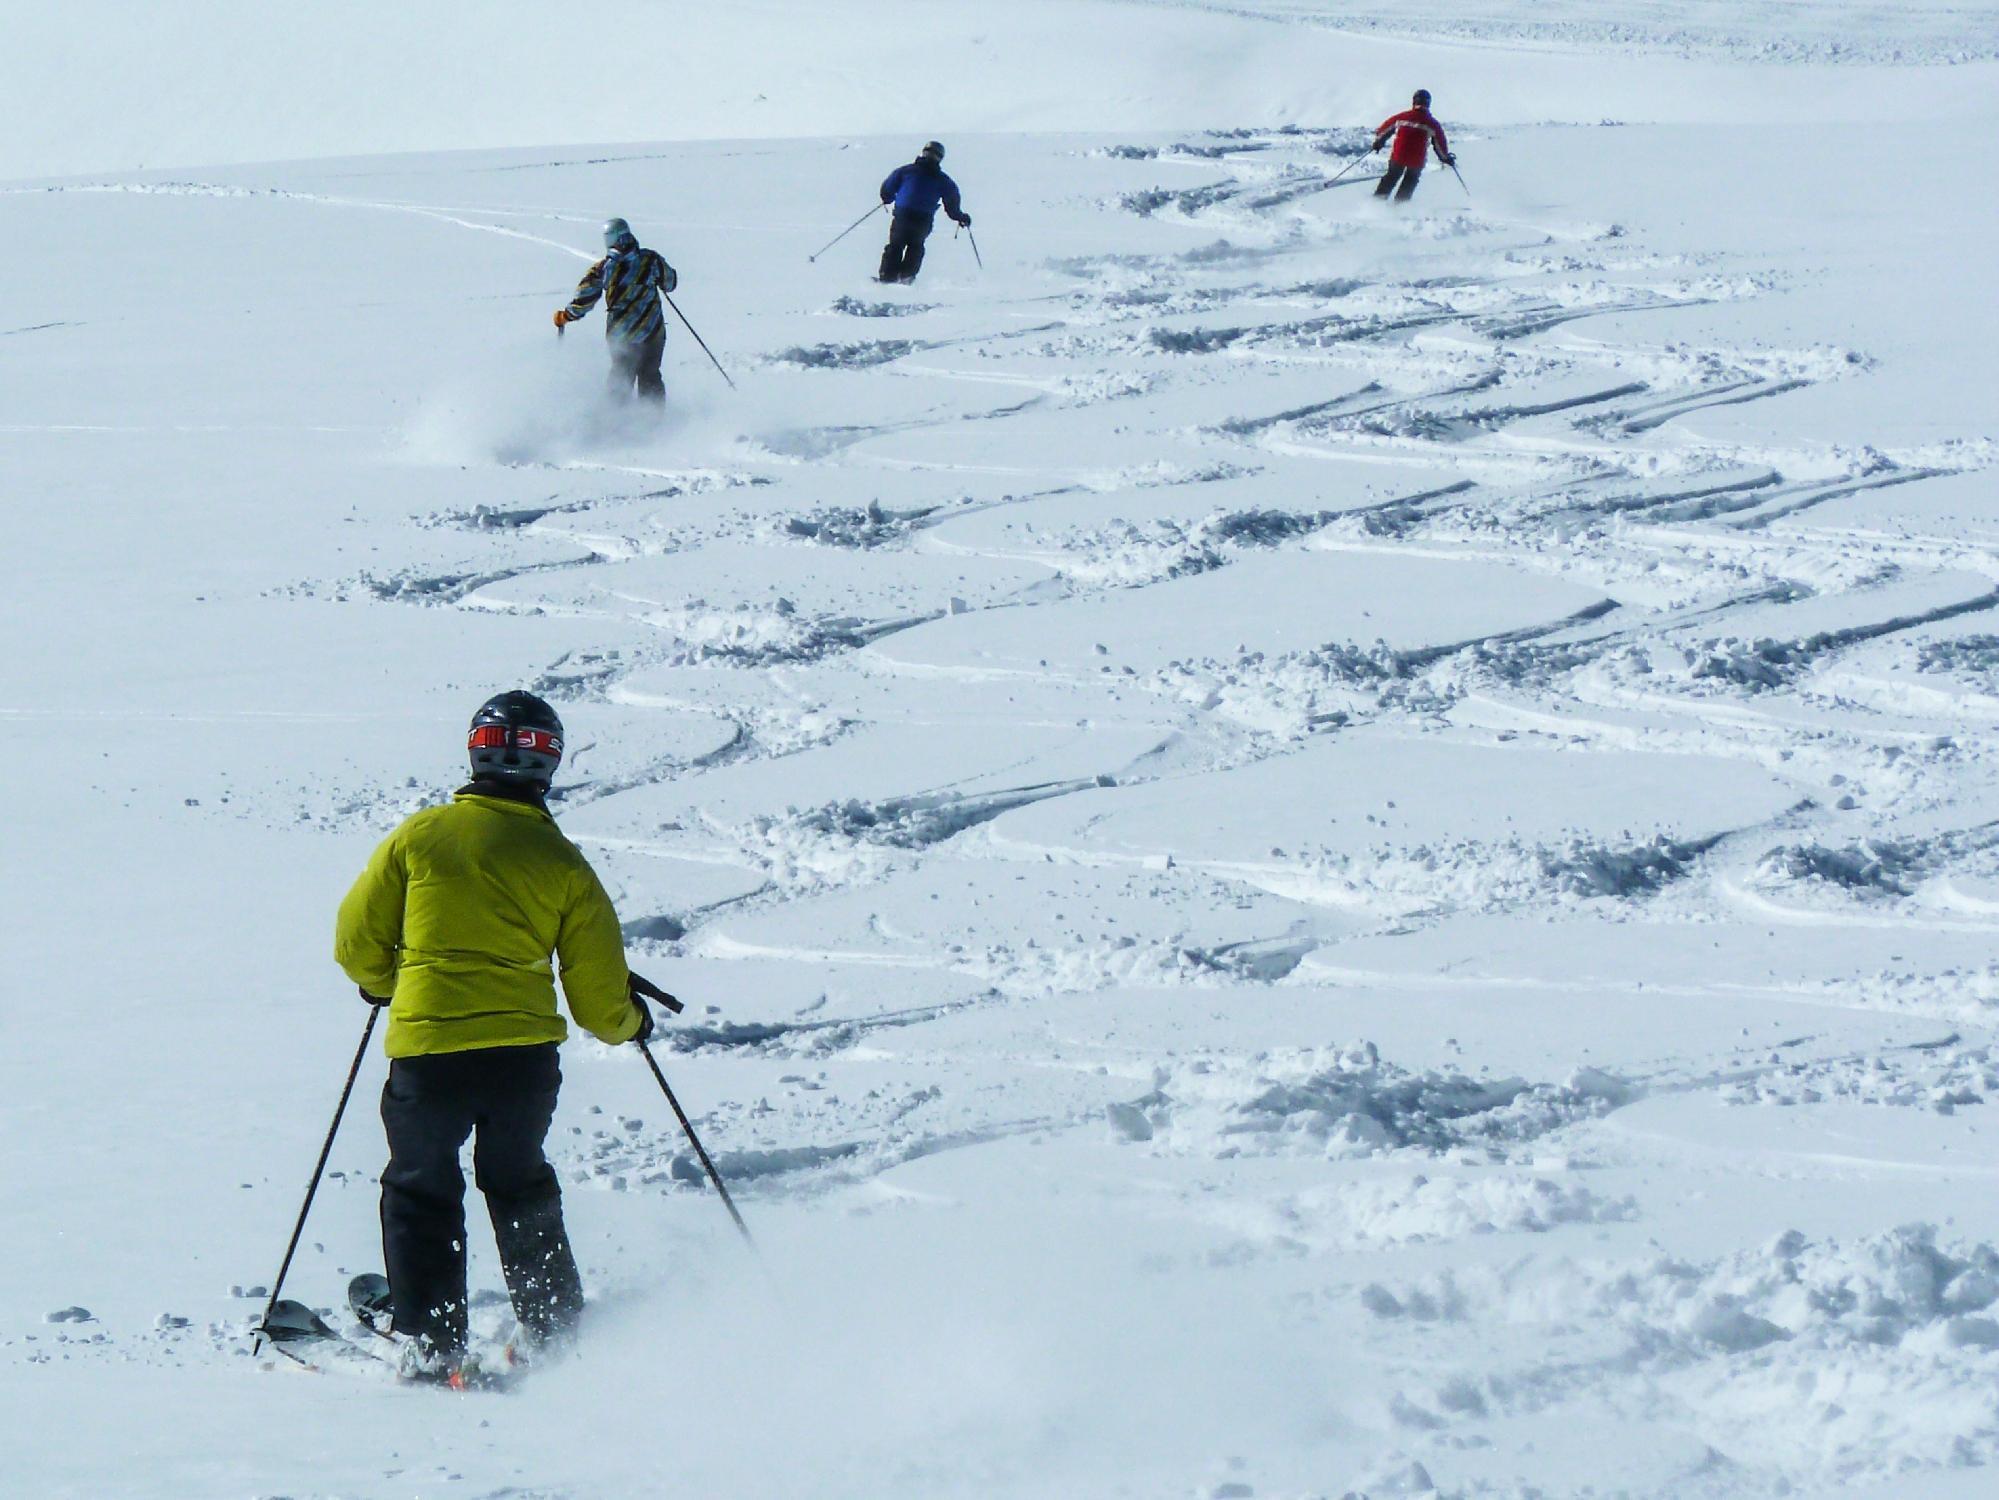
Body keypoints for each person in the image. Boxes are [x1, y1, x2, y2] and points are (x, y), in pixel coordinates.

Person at [334, 690, 650, 1379]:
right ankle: (552, 1324)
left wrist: (383, 982)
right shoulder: (563, 863)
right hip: (521, 1062)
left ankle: (433, 1342)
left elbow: (357, 941)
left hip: (427, 1054)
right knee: (517, 1181)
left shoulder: (419, 837)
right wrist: (633, 1019)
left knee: (421, 1187)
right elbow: (600, 1007)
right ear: (550, 766)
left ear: (474, 752)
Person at [554, 218, 678, 402]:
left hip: (622, 336)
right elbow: (670, 282)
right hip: (653, 333)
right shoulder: (650, 260)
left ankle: (616, 421)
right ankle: (654, 420)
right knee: (650, 375)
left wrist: (566, 316)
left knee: (621, 378)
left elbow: (584, 299)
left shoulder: (603, 269)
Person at [877, 141, 970, 284]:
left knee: (895, 245)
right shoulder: (943, 180)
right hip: (923, 219)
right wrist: (960, 217)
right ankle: (906, 278)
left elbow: (888, 187)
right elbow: (952, 203)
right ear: (939, 158)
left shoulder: (906, 171)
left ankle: (887, 277)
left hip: (903, 214)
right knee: (915, 247)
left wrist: (887, 198)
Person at [1371, 89, 1455, 203]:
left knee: (1391, 177)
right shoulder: (1432, 123)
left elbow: (1383, 130)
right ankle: (1399, 207)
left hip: (1399, 156)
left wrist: (1378, 142)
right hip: (1417, 160)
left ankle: (1376, 204)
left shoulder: (1402, 117)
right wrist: (1445, 158)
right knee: (1410, 181)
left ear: (1414, 102)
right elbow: (1440, 144)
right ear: (1428, 103)